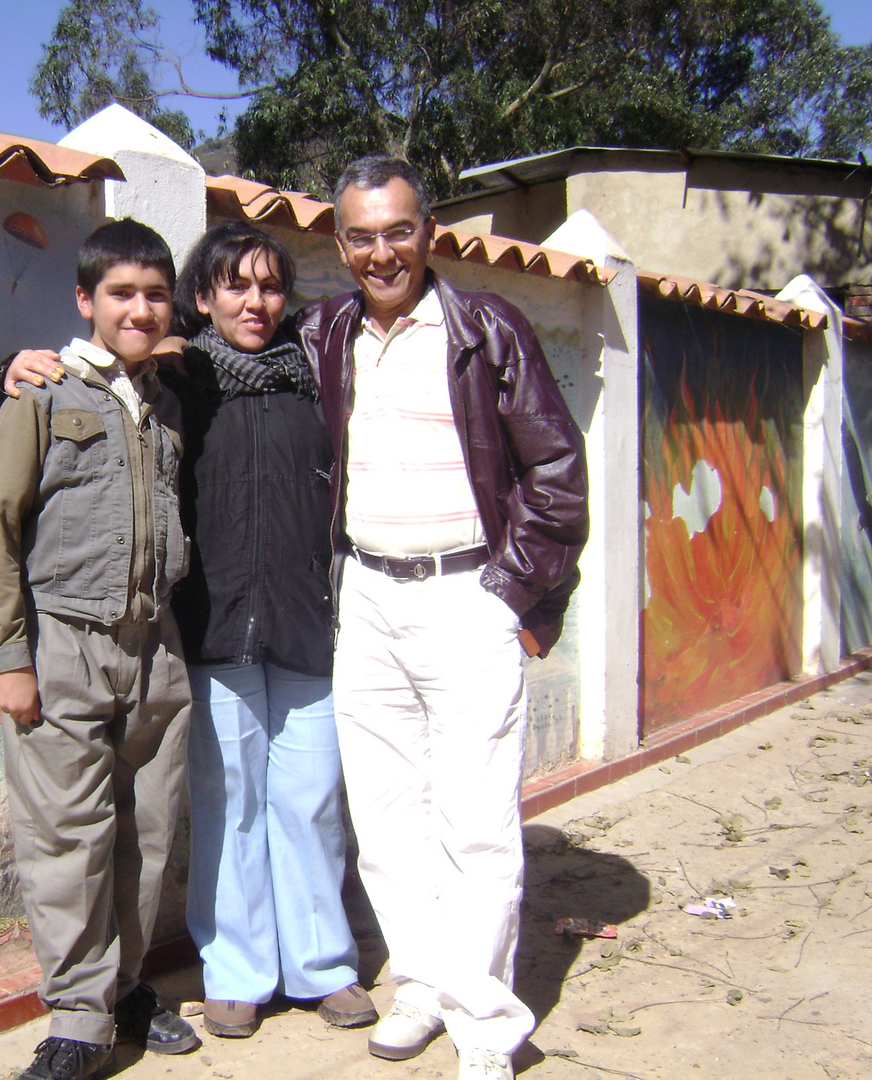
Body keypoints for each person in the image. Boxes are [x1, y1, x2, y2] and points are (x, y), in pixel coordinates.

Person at [8, 223, 373, 1039]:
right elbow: (90, 375)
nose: (256, 301)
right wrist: (18, 362)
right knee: (228, 801)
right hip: (210, 628)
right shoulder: (183, 376)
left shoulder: (321, 378)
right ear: (202, 299)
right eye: (235, 286)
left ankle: (324, 966)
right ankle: (237, 971)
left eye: (271, 285)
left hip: (308, 622)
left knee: (311, 801)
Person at [298, 156, 589, 1080]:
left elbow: (556, 472)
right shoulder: (326, 332)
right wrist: (59, 360)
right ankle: (421, 983)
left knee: (475, 821)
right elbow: (216, 343)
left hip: (467, 592)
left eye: (398, 230)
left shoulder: (486, 328)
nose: (381, 252)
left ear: (429, 231)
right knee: (386, 817)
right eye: (361, 235)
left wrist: (508, 593)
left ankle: (486, 1024)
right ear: (339, 243)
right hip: (366, 599)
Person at [0, 218, 200, 1080]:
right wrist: (11, 659)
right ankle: (76, 1018)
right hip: (63, 643)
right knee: (66, 838)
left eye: (154, 294)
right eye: (121, 294)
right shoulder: (42, 395)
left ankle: (125, 987)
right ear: (84, 301)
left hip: (155, 651)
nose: (139, 310)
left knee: (145, 834)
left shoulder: (168, 401)